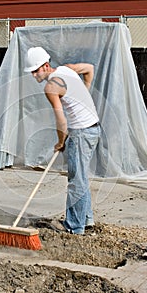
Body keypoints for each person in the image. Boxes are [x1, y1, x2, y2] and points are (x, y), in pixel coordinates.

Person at [24, 47, 100, 234]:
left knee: (76, 181)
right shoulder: (67, 69)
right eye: (32, 72)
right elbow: (89, 68)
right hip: (93, 128)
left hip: (81, 132)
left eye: (36, 71)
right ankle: (87, 219)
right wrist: (86, 91)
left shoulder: (51, 87)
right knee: (81, 177)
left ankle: (74, 227)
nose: (34, 75)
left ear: (46, 66)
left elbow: (61, 120)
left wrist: (60, 142)